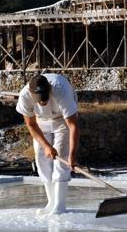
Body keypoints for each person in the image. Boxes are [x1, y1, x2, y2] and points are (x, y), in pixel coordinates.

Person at [16, 72, 80, 217]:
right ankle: (51, 202)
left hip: (61, 120)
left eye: (45, 98)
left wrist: (72, 155)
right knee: (41, 158)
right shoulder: (25, 96)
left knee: (61, 157)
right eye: (39, 99)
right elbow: (31, 124)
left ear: (49, 89)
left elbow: (73, 126)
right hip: (40, 121)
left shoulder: (61, 90)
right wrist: (46, 146)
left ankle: (60, 205)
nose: (43, 102)